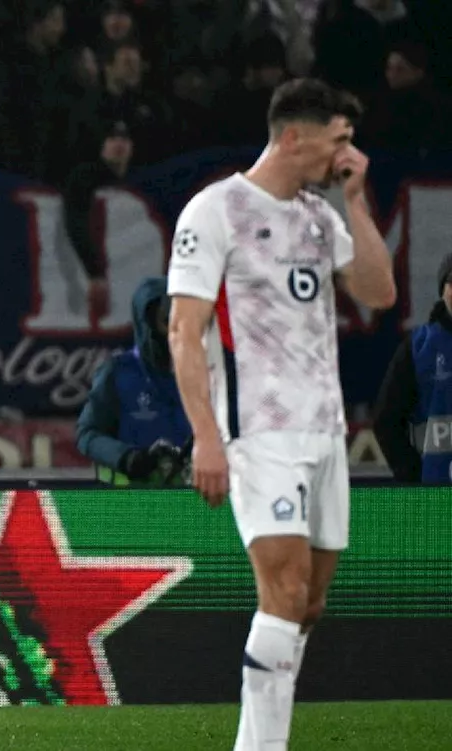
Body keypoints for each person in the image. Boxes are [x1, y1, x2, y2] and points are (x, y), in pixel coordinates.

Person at [166, 78, 396, 751]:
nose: (348, 150)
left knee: (307, 603)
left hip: (326, 434)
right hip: (259, 432)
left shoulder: (321, 216)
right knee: (286, 589)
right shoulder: (215, 210)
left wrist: (353, 199)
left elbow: (378, 292)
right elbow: (186, 330)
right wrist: (206, 436)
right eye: (341, 138)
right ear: (296, 136)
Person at [76, 276, 191, 485]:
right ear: (147, 322)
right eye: (167, 320)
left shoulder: (204, 372)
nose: (174, 328)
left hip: (193, 505)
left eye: (181, 318)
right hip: (131, 505)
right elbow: (88, 435)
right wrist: (127, 458)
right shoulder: (119, 373)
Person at [372, 252, 452, 484]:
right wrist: (414, 480)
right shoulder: (419, 348)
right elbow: (386, 421)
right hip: (436, 496)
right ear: (442, 290)